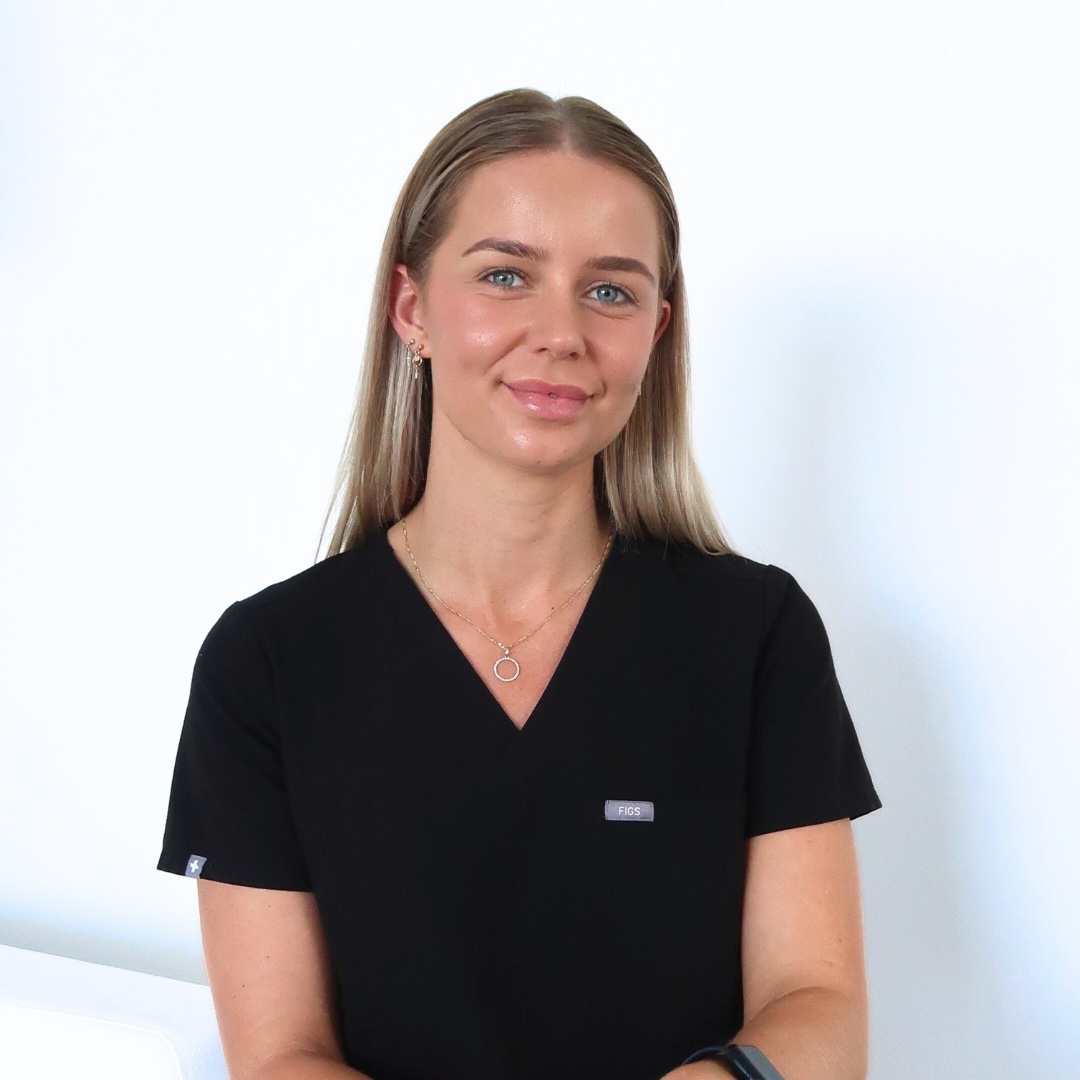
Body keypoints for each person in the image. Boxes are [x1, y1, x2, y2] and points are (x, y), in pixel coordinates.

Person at [158, 88, 881, 1080]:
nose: (561, 332)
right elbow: (283, 1055)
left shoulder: (755, 637)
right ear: (410, 308)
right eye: (507, 275)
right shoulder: (270, 664)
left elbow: (823, 1008)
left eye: (612, 290)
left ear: (657, 333)